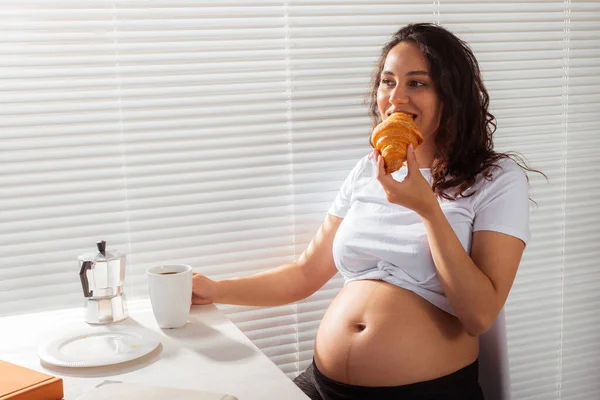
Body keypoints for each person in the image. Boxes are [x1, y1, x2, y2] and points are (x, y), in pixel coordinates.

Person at [191, 23, 540, 400]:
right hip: (321, 385)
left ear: (451, 95)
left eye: (417, 83)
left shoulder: (496, 179)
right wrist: (216, 290)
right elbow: (305, 273)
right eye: (388, 82)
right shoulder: (367, 170)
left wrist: (429, 211)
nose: (397, 98)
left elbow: (479, 315)